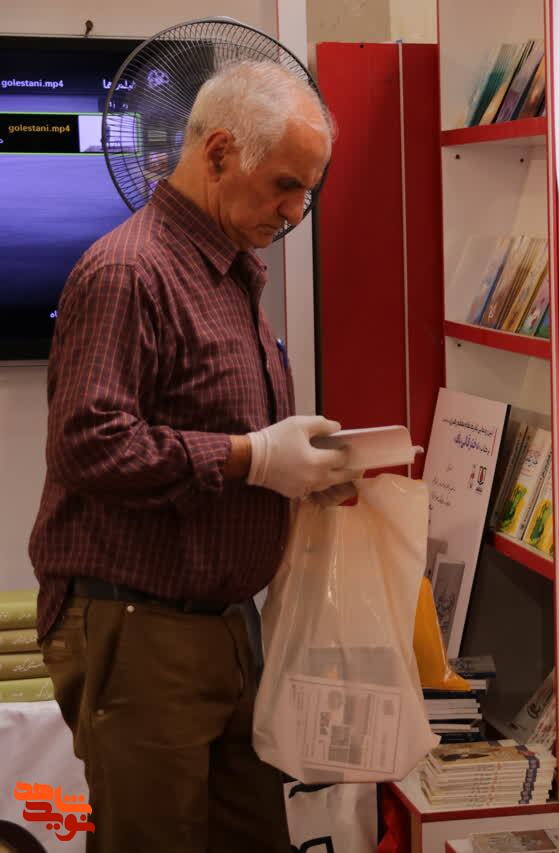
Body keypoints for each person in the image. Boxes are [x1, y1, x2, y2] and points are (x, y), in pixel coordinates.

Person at [29, 61, 361, 852]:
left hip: (221, 626)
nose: (296, 210)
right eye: (285, 185)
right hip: (142, 627)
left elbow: (207, 425)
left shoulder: (226, 270)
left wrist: (297, 470)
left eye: (308, 190)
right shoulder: (130, 272)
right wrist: (253, 458)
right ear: (218, 154)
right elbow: (88, 443)